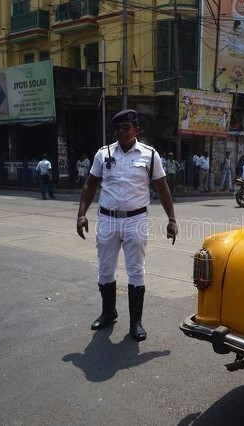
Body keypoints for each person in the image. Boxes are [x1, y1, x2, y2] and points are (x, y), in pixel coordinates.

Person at [75, 109, 178, 340]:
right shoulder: (103, 154)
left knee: (136, 270)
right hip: (107, 220)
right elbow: (90, 185)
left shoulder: (150, 155)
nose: (122, 132)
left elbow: (162, 188)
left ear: (137, 130)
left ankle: (136, 322)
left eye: (127, 128)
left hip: (136, 220)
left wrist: (172, 219)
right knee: (105, 269)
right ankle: (108, 312)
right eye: (118, 129)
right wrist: (81, 214)